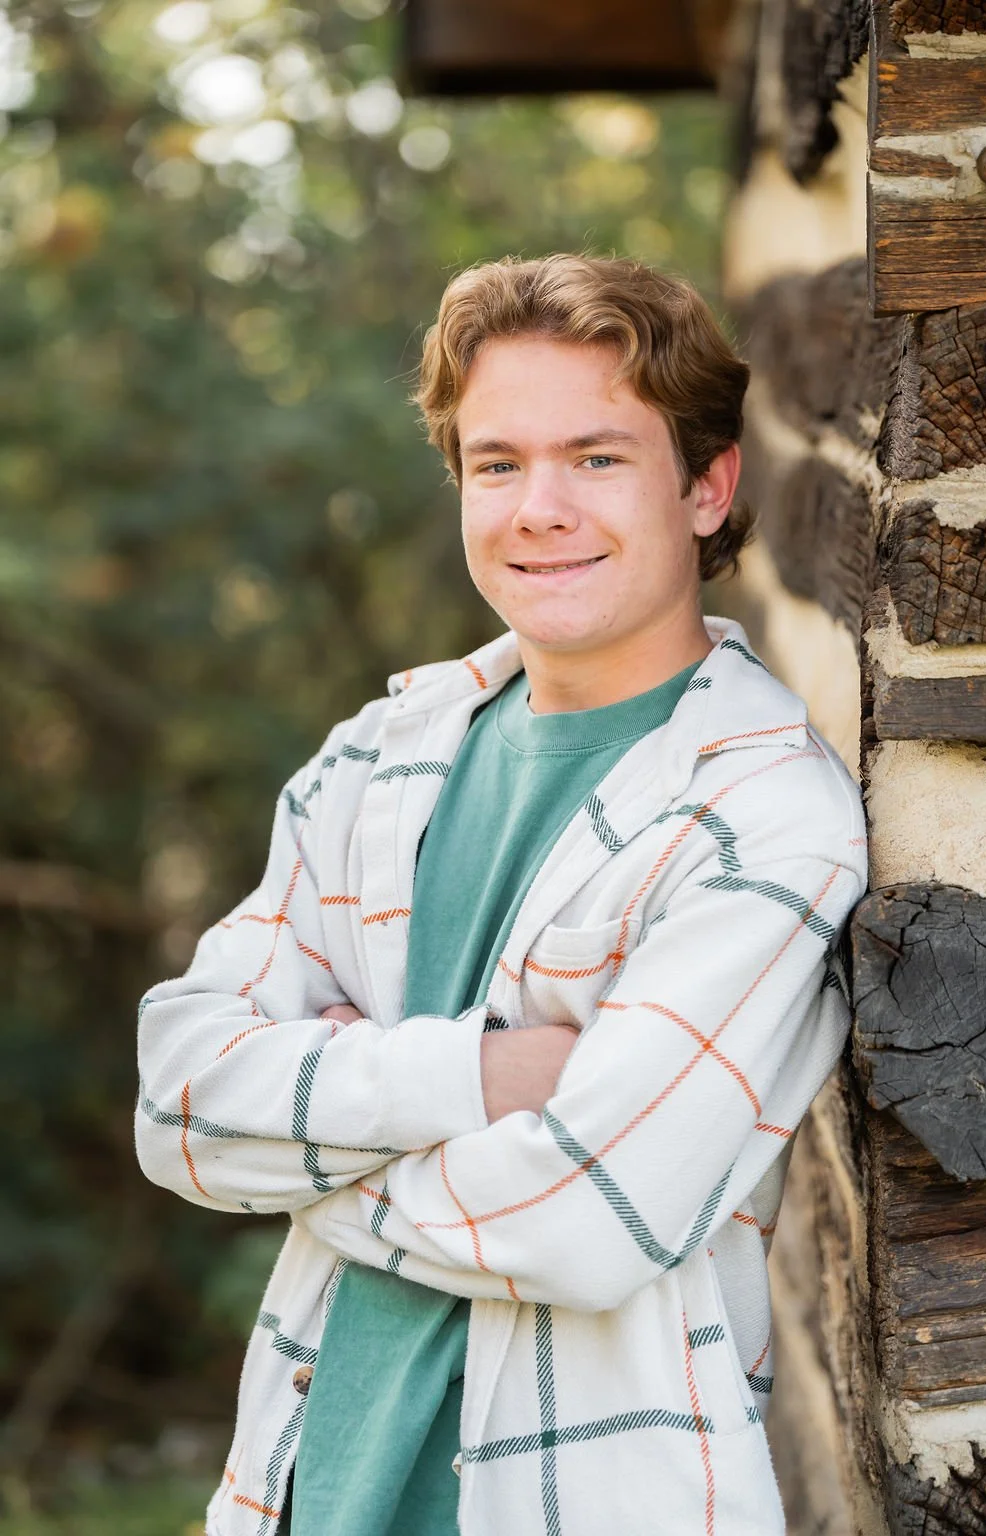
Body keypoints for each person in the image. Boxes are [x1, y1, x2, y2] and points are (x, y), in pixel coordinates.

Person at [136, 254, 867, 1536]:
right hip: (307, 1483)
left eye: (596, 459)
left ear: (706, 488)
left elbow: (590, 1215)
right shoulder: (376, 756)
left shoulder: (764, 810)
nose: (539, 508)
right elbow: (178, 1100)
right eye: (496, 463)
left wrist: (308, 1152)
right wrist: (481, 1077)